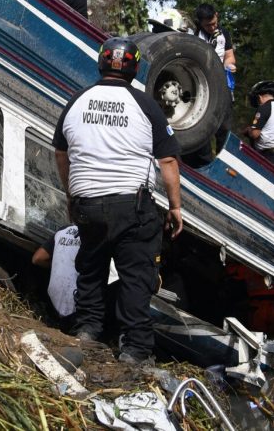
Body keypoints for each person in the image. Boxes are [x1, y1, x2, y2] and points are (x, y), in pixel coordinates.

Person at [53, 36, 184, 365]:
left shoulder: (77, 101)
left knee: (92, 268)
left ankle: (87, 330)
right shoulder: (146, 105)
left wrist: (72, 194)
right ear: (135, 68)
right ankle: (135, 349)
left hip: (87, 205)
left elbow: (61, 152)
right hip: (132, 206)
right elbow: (168, 160)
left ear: (101, 63)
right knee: (136, 275)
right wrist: (176, 207)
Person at [31, 224, 120, 330]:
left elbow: (37, 258)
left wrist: (57, 264)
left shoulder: (63, 230)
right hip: (82, 313)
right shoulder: (103, 233)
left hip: (53, 308)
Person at [191, 3, 236, 93]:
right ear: (200, 22)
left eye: (214, 23)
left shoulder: (224, 32)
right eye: (207, 25)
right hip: (198, 79)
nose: (212, 27)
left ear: (216, 15)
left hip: (219, 80)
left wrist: (229, 66)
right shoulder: (193, 33)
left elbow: (229, 56)